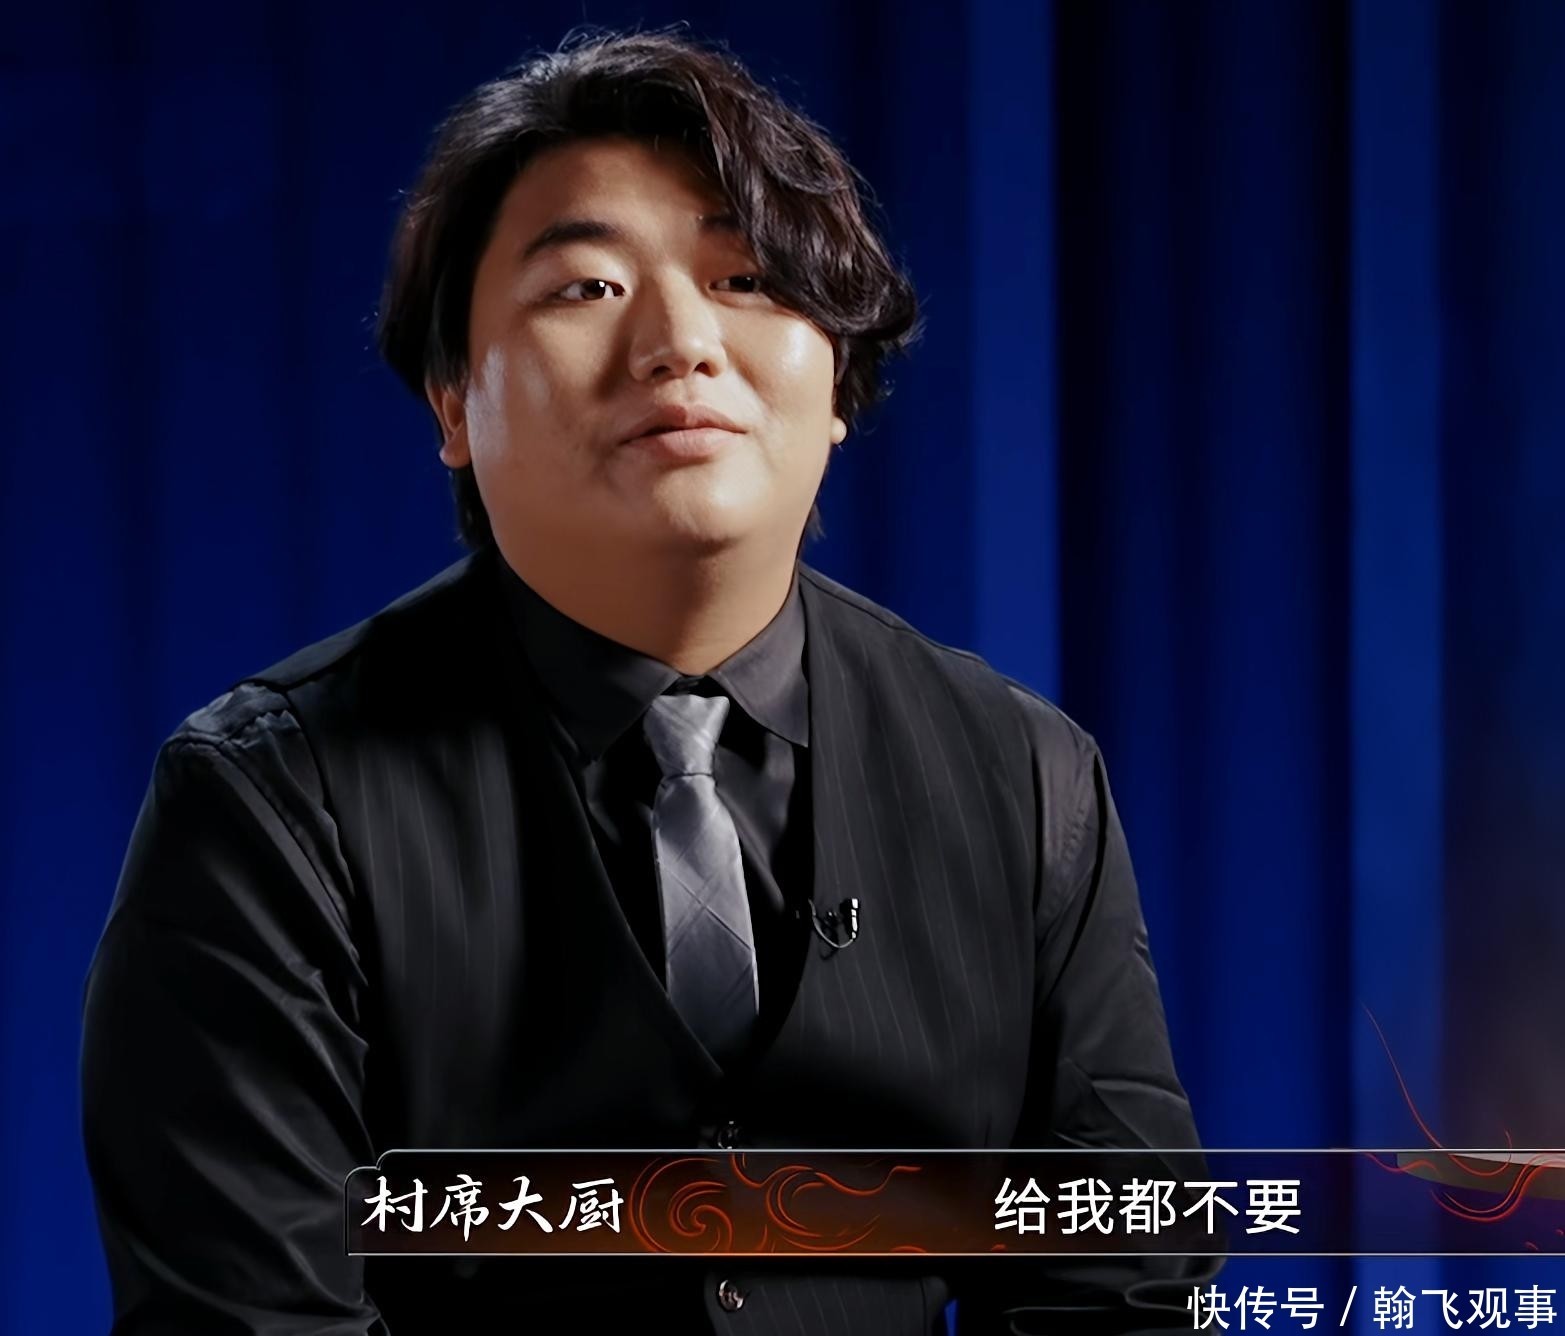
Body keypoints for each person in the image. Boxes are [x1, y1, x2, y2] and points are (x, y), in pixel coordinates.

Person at [81, 29, 1206, 1335]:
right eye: (587, 287)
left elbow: (1120, 1286)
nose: (681, 340)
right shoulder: (272, 804)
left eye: (744, 278)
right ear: (451, 400)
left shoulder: (1022, 778)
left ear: (838, 380)